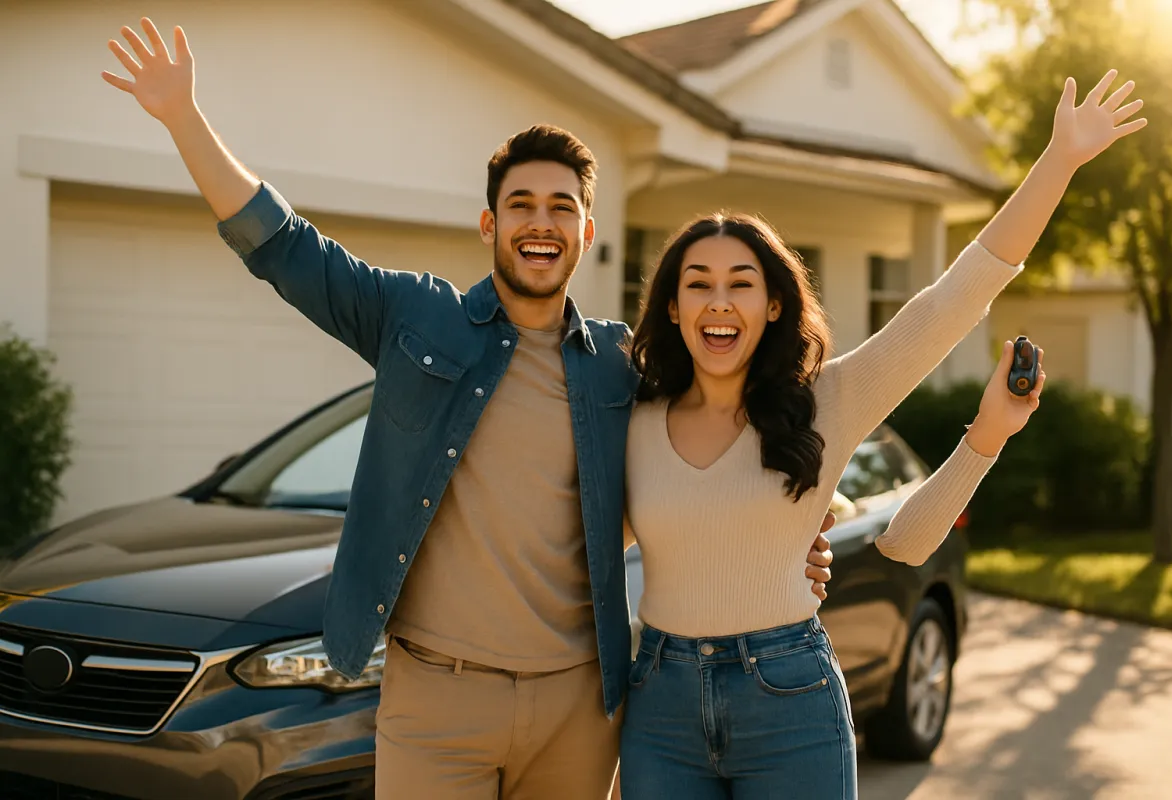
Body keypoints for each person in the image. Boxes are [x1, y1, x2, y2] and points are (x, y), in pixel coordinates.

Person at [99, 17, 837, 800]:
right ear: (490, 224)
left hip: (578, 705)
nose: (540, 222)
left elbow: (735, 417)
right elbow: (284, 247)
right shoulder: (417, 318)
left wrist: (800, 535)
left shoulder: (626, 365)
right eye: (521, 204)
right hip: (437, 697)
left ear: (587, 232)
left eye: (561, 207)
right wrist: (183, 118)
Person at [618, 70, 1145, 799]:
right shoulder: (630, 421)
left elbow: (954, 298)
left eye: (740, 282)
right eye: (697, 283)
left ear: (773, 306)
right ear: (672, 309)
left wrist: (1059, 160)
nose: (718, 300)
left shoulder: (828, 400)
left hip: (790, 702)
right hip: (661, 707)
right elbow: (568, 548)